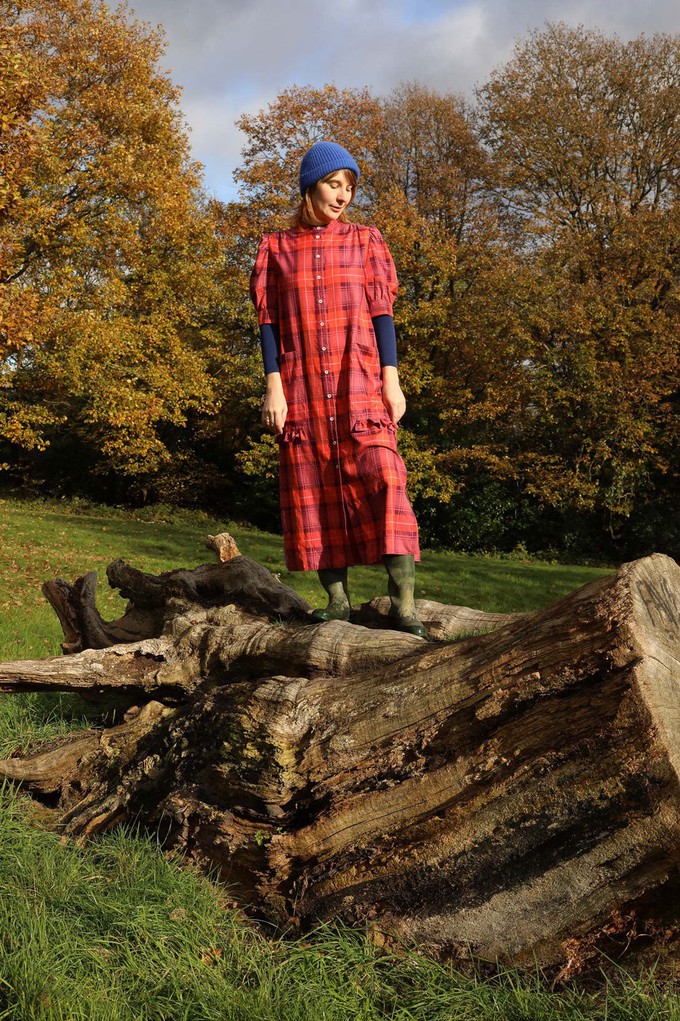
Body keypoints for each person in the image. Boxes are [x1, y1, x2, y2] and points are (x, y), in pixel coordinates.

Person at [249, 140, 427, 638]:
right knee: (314, 485)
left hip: (360, 382)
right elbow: (267, 324)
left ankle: (404, 606)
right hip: (302, 385)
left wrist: (392, 379)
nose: (343, 195)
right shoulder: (275, 249)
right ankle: (337, 603)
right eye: (334, 184)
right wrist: (273, 388)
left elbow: (382, 313)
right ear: (311, 186)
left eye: (349, 187)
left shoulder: (366, 241)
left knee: (386, 476)